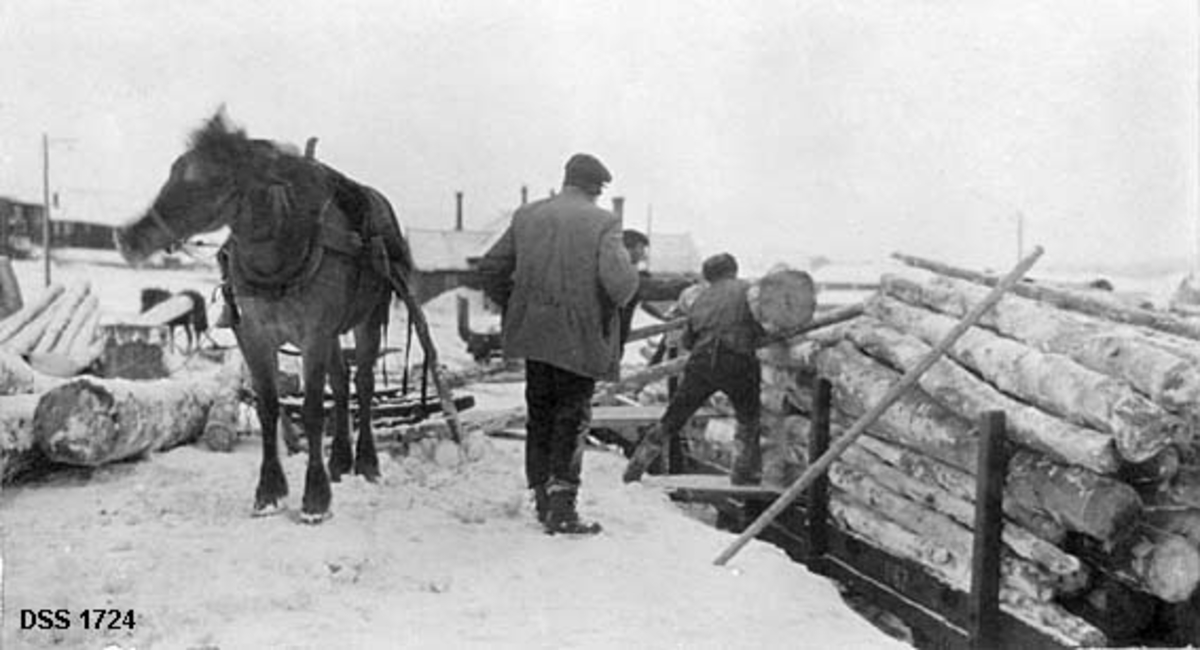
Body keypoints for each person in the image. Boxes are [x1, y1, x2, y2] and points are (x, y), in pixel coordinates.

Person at [477, 153, 639, 535]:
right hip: (578, 337)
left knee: (541, 414)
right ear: (595, 188)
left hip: (534, 333)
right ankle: (563, 508)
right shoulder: (603, 222)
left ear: (566, 180)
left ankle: (542, 499)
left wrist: (519, 304)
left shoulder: (527, 215)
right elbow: (620, 285)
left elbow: (491, 269)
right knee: (572, 416)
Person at [622, 252, 765, 485]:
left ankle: (636, 467)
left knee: (673, 417)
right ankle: (742, 473)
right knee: (749, 418)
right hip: (737, 360)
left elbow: (687, 340)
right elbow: (764, 324)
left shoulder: (701, 298)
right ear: (734, 270)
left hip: (701, 362)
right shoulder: (749, 290)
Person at [617, 229, 695, 348]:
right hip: (610, 339)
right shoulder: (626, 277)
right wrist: (690, 284)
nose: (643, 254)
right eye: (641, 248)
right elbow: (660, 289)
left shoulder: (612, 273)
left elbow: (645, 300)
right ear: (629, 249)